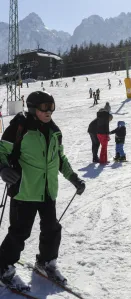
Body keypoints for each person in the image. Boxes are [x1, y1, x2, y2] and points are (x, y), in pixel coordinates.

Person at [0, 91, 85, 283]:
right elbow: (1, 151)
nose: (49, 112)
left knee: (52, 229)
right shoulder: (19, 128)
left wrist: (73, 178)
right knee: (19, 232)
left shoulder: (55, 132)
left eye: (52, 107)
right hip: (24, 190)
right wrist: (3, 168)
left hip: (48, 191)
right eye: (44, 108)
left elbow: (60, 159)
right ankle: (4, 266)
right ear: (32, 109)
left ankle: (46, 262)